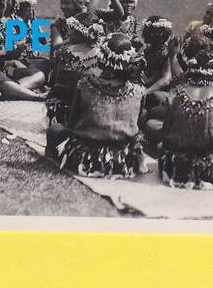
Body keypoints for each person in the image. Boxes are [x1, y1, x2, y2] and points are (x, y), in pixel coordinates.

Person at [48, 33, 147, 179]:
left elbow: (72, 123)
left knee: (55, 129)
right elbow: (137, 125)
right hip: (124, 160)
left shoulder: (85, 85)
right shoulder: (139, 91)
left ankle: (51, 160)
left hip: (88, 157)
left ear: (103, 57)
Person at [146, 50, 213, 191]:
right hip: (212, 169)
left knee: (151, 127)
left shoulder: (176, 92)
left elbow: (164, 138)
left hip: (177, 167)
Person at [45, 10, 103, 126]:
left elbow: (56, 79)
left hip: (63, 99)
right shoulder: (102, 54)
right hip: (88, 104)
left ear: (78, 32)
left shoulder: (63, 51)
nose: (69, 32)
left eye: (71, 29)